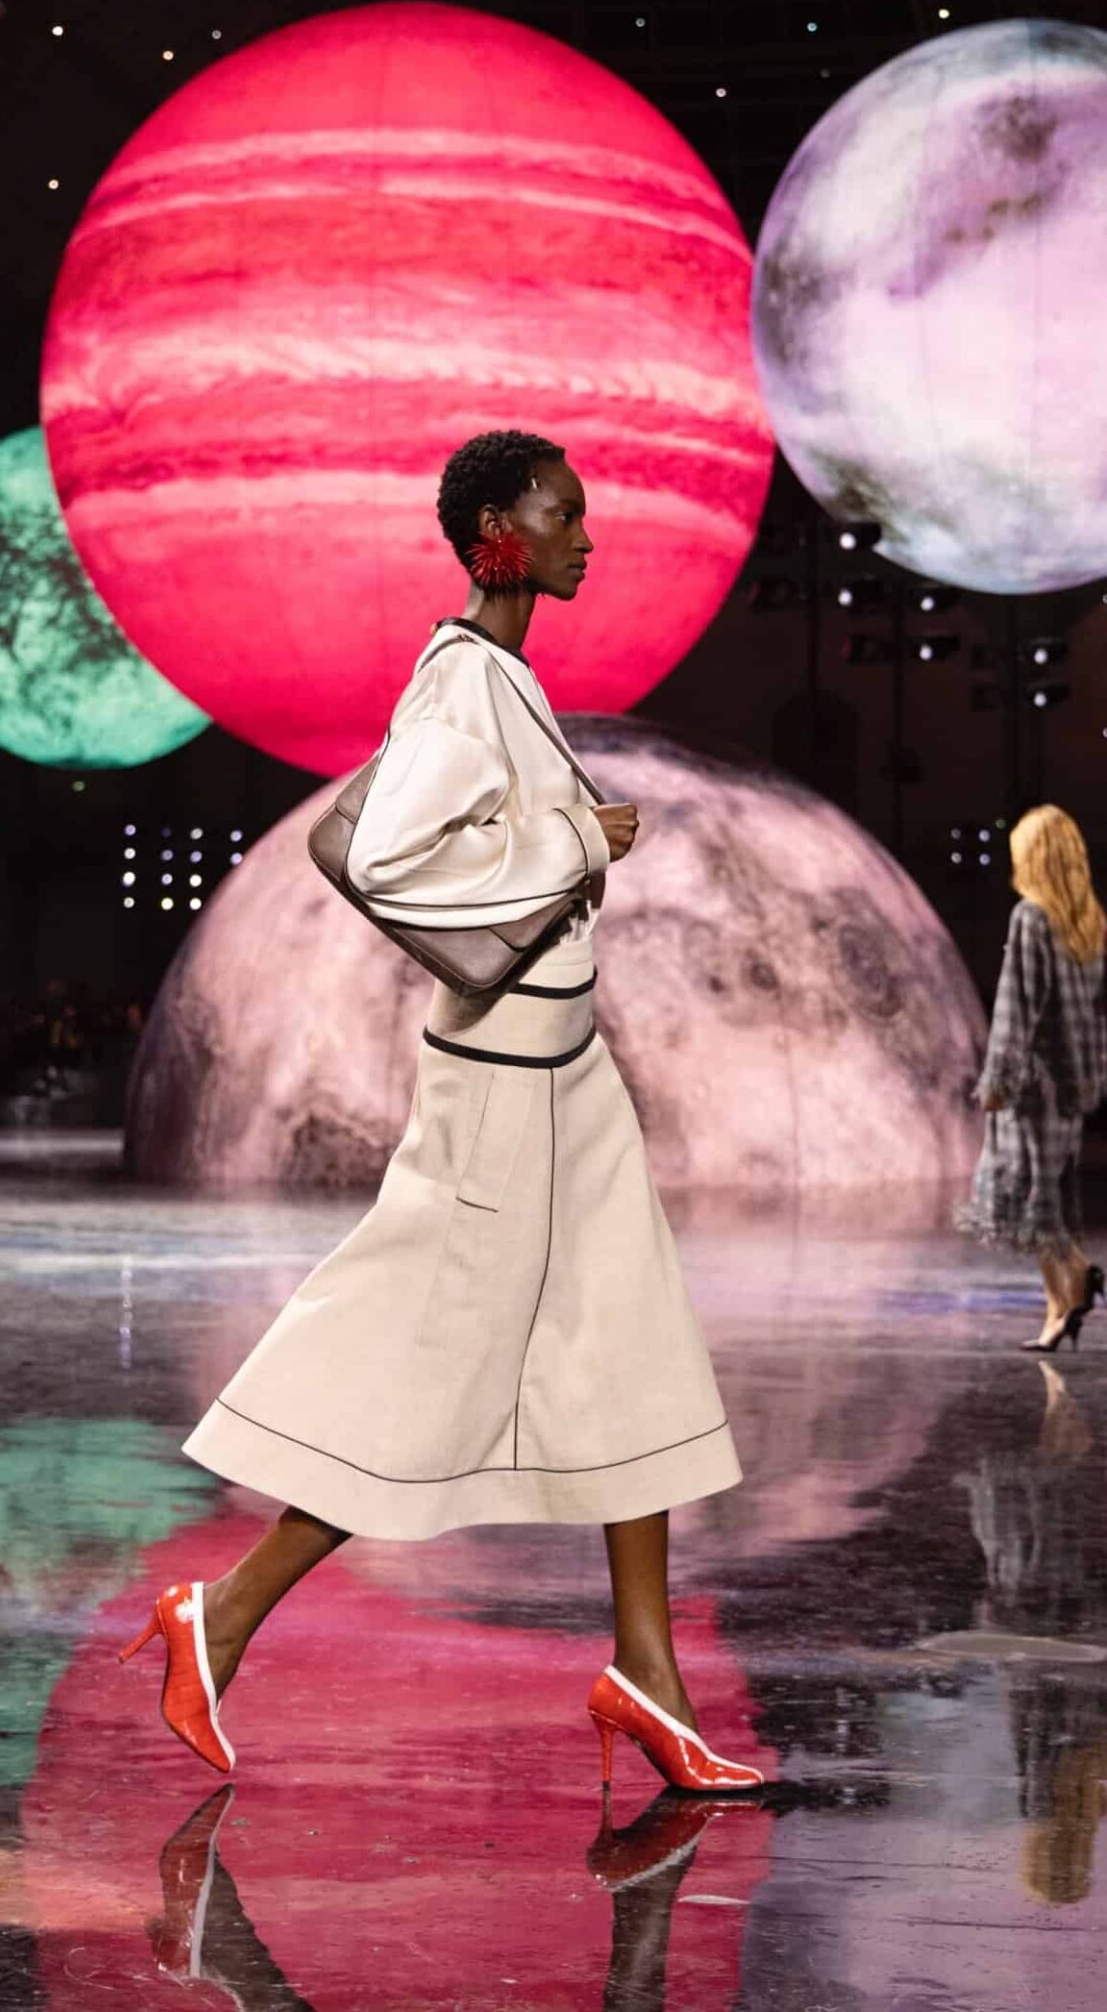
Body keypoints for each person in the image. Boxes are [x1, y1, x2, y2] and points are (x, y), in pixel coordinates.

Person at [119, 430, 762, 1793]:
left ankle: (646, 1672)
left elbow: (381, 834)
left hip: (566, 1073)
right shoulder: (466, 679)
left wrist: (559, 840)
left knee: (629, 1343)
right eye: (563, 513)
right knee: (436, 1366)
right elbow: (377, 851)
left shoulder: (497, 679)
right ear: (496, 532)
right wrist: (578, 840)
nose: (588, 535)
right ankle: (218, 1616)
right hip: (500, 1089)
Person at [957, 805, 1107, 1352]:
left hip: (1035, 1085)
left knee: (1035, 1199)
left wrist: (997, 1077)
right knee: (1053, 1193)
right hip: (1070, 1086)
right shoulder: (1085, 919)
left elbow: (1018, 1006)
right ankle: (1073, 1289)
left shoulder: (1031, 917)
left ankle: (1061, 1303)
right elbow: (1091, 1012)